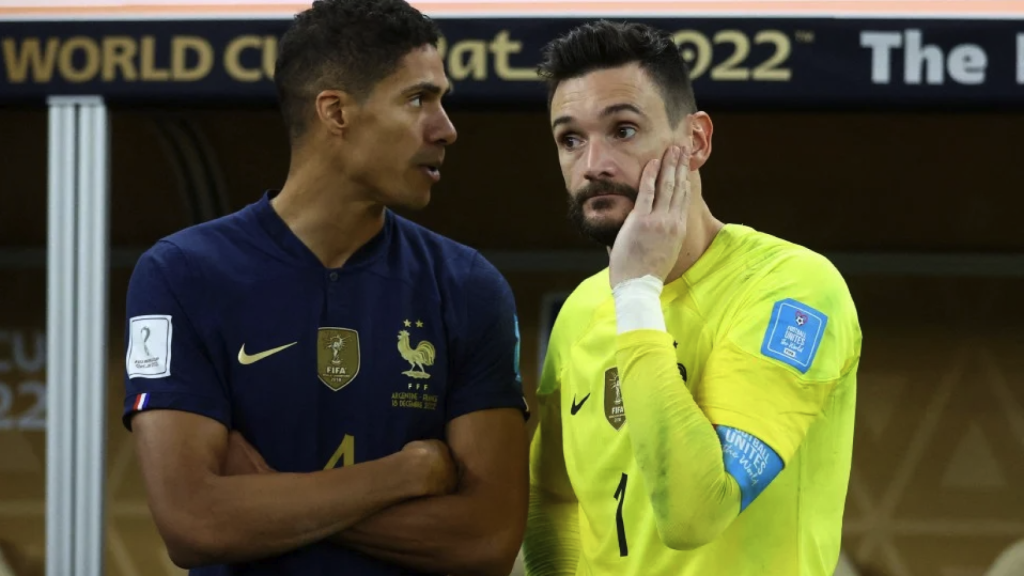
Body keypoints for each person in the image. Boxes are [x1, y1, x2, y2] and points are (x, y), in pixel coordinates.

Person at [121, 1, 528, 575]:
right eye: (418, 99)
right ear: (335, 111)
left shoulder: (468, 285)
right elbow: (193, 524)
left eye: (442, 100)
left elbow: (487, 541)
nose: (446, 128)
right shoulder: (182, 273)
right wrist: (403, 475)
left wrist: (273, 499)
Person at [522, 20, 862, 576]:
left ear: (696, 140)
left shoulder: (792, 289)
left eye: (624, 131)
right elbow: (554, 497)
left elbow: (693, 516)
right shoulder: (581, 312)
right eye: (571, 140)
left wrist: (635, 292)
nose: (593, 165)